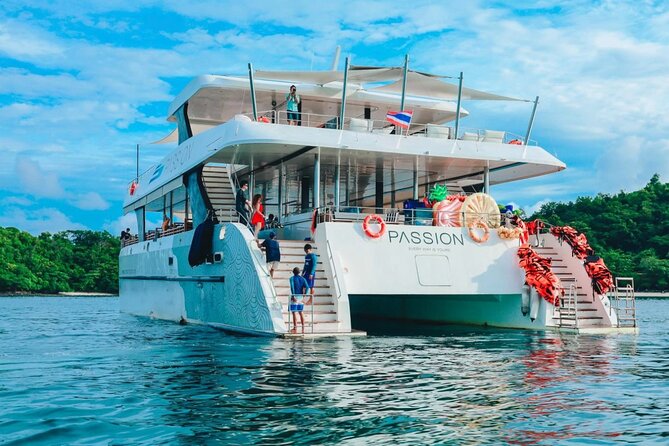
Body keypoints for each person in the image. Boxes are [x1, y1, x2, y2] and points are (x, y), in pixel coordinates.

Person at [289, 267, 309, 333]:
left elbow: (292, 287)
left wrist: (293, 295)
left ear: (293, 272)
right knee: (301, 312)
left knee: (294, 312)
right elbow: (307, 287)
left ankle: (295, 328)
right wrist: (305, 294)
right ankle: (303, 328)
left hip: (295, 296)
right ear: (299, 272)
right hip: (301, 297)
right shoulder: (303, 279)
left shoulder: (291, 278)